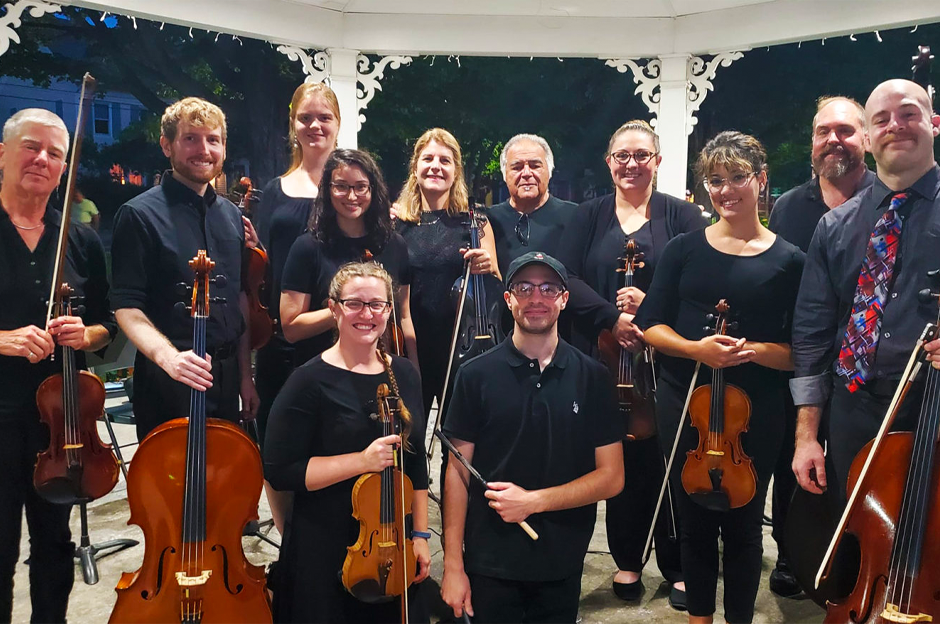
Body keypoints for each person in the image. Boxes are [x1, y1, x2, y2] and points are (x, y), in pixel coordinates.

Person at [635, 131, 804, 624]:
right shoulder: (685, 249)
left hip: (756, 411)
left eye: (737, 178)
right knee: (692, 518)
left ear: (761, 179)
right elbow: (650, 325)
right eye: (715, 181)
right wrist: (697, 350)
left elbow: (800, 352)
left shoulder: (790, 260)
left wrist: (747, 352)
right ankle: (699, 619)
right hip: (684, 398)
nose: (726, 190)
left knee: (746, 523)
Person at [557, 119, 707, 608]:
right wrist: (609, 315)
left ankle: (680, 564)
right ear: (609, 162)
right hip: (601, 355)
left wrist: (651, 303)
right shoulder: (588, 215)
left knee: (669, 456)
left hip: (664, 358)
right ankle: (625, 560)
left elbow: (698, 281)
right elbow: (564, 276)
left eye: (641, 155)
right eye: (622, 155)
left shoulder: (682, 215)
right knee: (617, 453)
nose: (631, 164)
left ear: (658, 162)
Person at [440, 251, 624, 623]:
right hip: (489, 563)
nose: (536, 298)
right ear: (508, 299)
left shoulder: (593, 377)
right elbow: (458, 474)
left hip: (562, 561)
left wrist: (533, 502)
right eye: (524, 288)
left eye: (547, 288)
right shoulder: (474, 375)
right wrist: (453, 566)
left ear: (564, 298)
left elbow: (612, 477)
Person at [791, 79, 940, 510]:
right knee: (858, 543)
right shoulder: (836, 227)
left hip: (931, 407)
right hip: (853, 410)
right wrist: (806, 436)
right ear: (870, 140)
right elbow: (813, 335)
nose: (896, 125)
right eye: (882, 120)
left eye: (909, 114)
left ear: (933, 123)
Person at [264, 262, 430, 623]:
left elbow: (416, 464)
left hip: (392, 544)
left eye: (377, 305)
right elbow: (280, 471)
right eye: (354, 303)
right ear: (334, 307)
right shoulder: (307, 382)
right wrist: (362, 461)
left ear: (389, 310)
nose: (366, 314)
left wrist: (419, 534)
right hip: (324, 546)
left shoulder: (403, 373)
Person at [0, 108, 115, 623]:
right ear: (3, 152)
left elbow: (108, 322)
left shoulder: (81, 240)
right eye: (31, 146)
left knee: (53, 544)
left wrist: (84, 332)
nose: (41, 160)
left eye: (54, 153)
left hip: (61, 424)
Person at [765, 95, 875, 598]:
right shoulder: (789, 207)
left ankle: (858, 557)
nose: (834, 140)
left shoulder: (887, 199)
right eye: (823, 131)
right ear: (812, 143)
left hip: (865, 371)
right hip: (801, 362)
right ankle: (793, 554)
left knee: (857, 469)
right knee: (798, 463)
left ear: (867, 140)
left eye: (847, 131)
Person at [111, 97, 258, 442]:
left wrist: (245, 377)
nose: (203, 149)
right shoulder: (138, 215)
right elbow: (126, 307)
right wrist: (169, 358)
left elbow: (238, 299)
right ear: (167, 145)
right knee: (171, 488)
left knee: (224, 483)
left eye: (213, 140)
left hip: (225, 378)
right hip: (167, 379)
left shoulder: (233, 216)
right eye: (190, 138)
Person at [252, 83, 339, 447]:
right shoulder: (274, 191)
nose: (314, 125)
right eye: (305, 118)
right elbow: (259, 264)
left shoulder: (353, 188)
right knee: (279, 442)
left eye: (324, 117)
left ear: (337, 124)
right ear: (293, 125)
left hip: (341, 333)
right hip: (284, 336)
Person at [395, 128, 500, 417]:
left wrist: (488, 267)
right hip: (410, 346)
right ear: (415, 168)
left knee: (459, 444)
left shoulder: (476, 222)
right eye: (428, 159)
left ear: (456, 171)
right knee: (412, 441)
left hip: (462, 349)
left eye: (445, 160)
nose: (435, 167)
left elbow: (497, 289)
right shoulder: (396, 225)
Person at [280, 148, 416, 369]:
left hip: (383, 370)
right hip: (324, 372)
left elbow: (403, 317)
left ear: (373, 190)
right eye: (341, 186)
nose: (352, 196)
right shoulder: (307, 248)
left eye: (361, 187)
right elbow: (291, 328)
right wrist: (347, 309)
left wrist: (413, 372)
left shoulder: (394, 245)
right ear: (328, 189)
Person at [485, 134, 576, 277]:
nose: (526, 173)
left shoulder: (577, 217)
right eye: (517, 167)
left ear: (549, 171)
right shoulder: (487, 221)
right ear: (504, 174)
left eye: (535, 166)